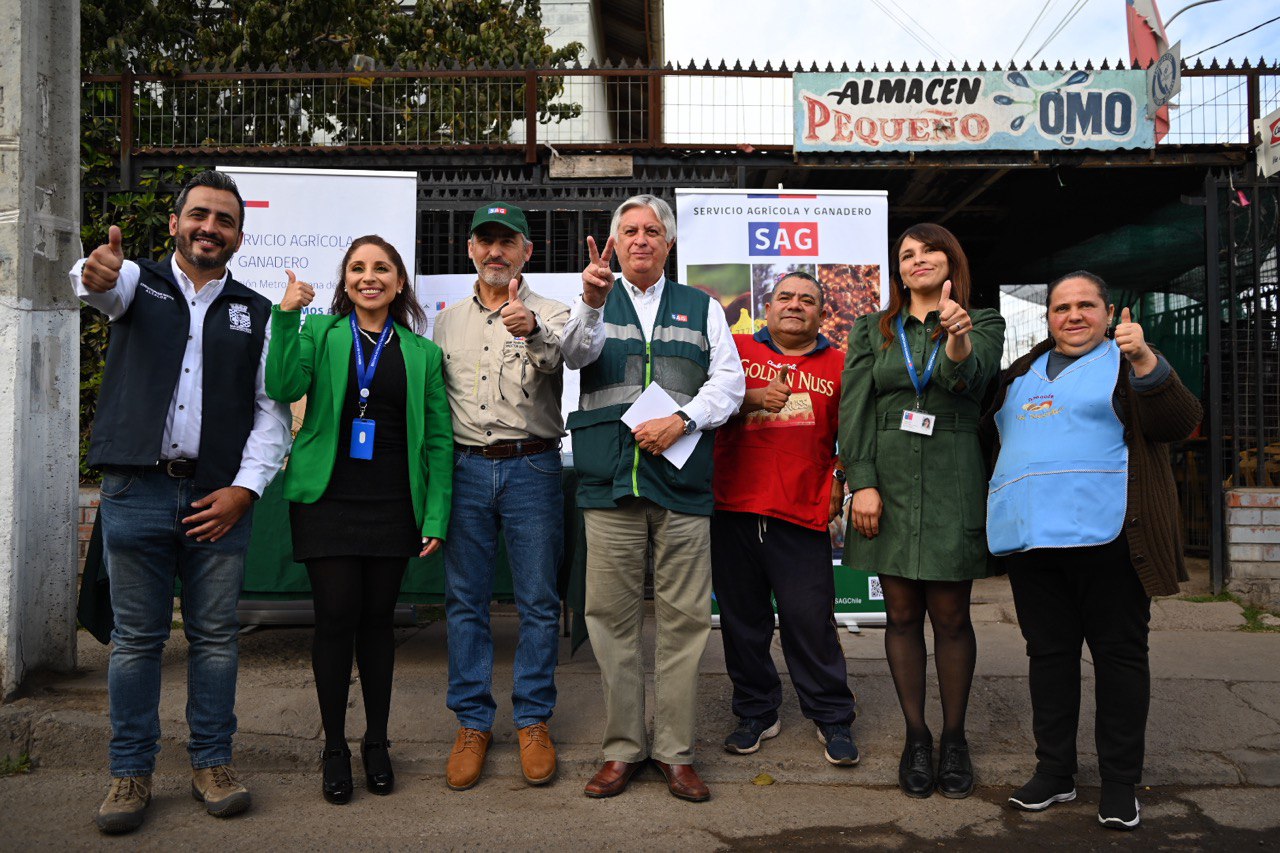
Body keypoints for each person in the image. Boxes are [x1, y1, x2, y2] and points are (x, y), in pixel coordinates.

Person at [71, 170, 292, 834]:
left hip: (216, 498)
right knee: (136, 640)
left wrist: (244, 490)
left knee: (216, 640)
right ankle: (130, 771)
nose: (209, 228)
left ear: (238, 236)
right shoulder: (139, 283)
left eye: (224, 220)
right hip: (136, 489)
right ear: (174, 223)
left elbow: (271, 415)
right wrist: (95, 271)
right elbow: (96, 286)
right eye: (199, 215)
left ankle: (212, 763)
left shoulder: (257, 311)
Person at [984, 271, 1201, 831]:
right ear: (1048, 317)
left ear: (1109, 313)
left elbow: (1179, 422)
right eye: (1062, 307)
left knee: (1119, 656)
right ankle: (1055, 772)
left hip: (1109, 539)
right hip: (1033, 543)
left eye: (1086, 305)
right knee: (1049, 657)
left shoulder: (1129, 366)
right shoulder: (1020, 373)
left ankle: (1121, 782)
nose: (1073, 316)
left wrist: (1148, 361)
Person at [562, 194, 745, 802]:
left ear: (669, 243)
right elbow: (573, 355)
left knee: (685, 623)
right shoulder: (592, 297)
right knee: (610, 624)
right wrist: (589, 305)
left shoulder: (702, 306)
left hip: (681, 484)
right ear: (615, 242)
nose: (641, 239)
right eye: (630, 231)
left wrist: (684, 421)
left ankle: (675, 751)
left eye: (652, 231)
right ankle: (622, 751)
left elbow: (730, 382)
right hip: (609, 483)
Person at [265, 236, 452, 805]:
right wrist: (286, 315)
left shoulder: (421, 352)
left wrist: (436, 513)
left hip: (394, 503)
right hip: (328, 499)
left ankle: (377, 742)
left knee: (378, 623)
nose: (368, 277)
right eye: (357, 268)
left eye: (381, 268)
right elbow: (282, 385)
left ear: (399, 282)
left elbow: (440, 441)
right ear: (345, 281)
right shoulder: (319, 332)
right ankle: (334, 749)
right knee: (335, 619)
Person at [839, 222, 1005, 800]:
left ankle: (954, 739)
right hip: (887, 478)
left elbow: (970, 380)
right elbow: (854, 409)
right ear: (898, 270)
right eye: (906, 254)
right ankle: (917, 736)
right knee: (902, 616)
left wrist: (956, 336)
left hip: (953, 474)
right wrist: (861, 482)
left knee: (953, 616)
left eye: (930, 250)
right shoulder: (872, 329)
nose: (918, 260)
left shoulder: (984, 322)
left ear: (950, 260)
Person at [432, 203, 570, 791]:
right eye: (485, 241)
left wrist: (531, 330)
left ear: (526, 251)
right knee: (465, 601)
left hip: (532, 468)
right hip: (464, 469)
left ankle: (533, 720)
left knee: (539, 602)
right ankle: (472, 722)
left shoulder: (554, 311)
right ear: (469, 250)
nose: (495, 251)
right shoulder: (447, 321)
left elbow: (562, 357)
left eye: (507, 241)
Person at [711, 272, 858, 764]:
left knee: (809, 621)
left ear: (822, 313)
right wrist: (752, 399)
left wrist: (840, 476)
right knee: (741, 620)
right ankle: (756, 711)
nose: (795, 306)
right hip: (732, 505)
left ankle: (832, 716)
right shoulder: (733, 352)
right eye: (785, 298)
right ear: (767, 307)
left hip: (800, 510)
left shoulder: (841, 364)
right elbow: (703, 406)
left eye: (807, 300)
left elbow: (852, 435)